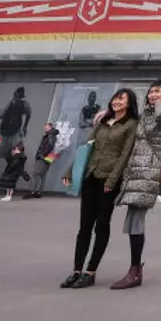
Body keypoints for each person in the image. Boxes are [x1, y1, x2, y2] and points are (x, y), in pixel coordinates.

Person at [60, 89, 139, 289]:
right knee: (84, 227)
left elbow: (125, 154)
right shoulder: (103, 122)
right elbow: (87, 147)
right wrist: (70, 171)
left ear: (129, 103)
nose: (116, 101)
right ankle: (76, 270)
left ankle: (90, 271)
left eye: (122, 98)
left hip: (108, 181)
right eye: (115, 98)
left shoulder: (130, 125)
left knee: (101, 226)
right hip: (91, 176)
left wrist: (112, 180)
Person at [111, 79, 161, 289]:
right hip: (134, 173)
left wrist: (159, 102)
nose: (152, 95)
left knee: (136, 221)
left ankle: (135, 270)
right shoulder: (143, 116)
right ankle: (134, 268)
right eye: (150, 92)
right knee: (132, 222)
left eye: (157, 91)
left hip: (148, 173)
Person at [0, 86, 33, 157]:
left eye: (20, 98)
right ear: (14, 97)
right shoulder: (6, 109)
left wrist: (25, 126)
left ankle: (17, 159)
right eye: (16, 98)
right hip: (5, 132)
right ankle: (9, 158)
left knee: (19, 151)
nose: (18, 100)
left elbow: (29, 114)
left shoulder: (24, 105)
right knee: (4, 154)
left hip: (16, 130)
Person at [27, 122, 59, 198]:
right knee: (42, 175)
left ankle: (33, 191)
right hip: (50, 156)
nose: (45, 129)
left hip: (44, 156)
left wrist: (41, 155)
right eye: (45, 128)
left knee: (36, 173)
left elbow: (50, 145)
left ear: (51, 127)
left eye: (47, 127)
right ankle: (39, 192)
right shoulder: (52, 135)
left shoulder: (50, 135)